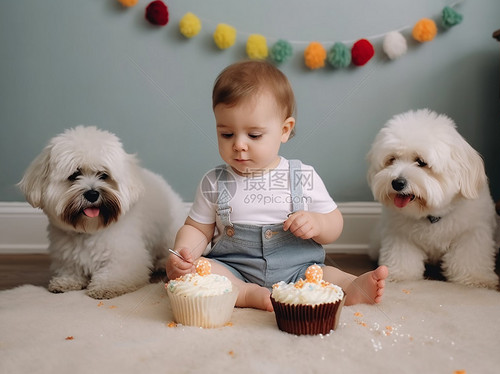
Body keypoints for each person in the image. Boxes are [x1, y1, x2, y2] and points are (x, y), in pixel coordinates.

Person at [166, 60, 388, 311]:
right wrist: (185, 252)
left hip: (298, 270)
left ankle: (353, 285)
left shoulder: (302, 175)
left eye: (254, 135)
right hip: (235, 270)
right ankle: (247, 293)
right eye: (227, 134)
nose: (239, 144)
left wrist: (317, 223)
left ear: (284, 130)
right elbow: (197, 228)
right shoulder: (214, 181)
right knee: (200, 272)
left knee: (324, 274)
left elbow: (334, 223)